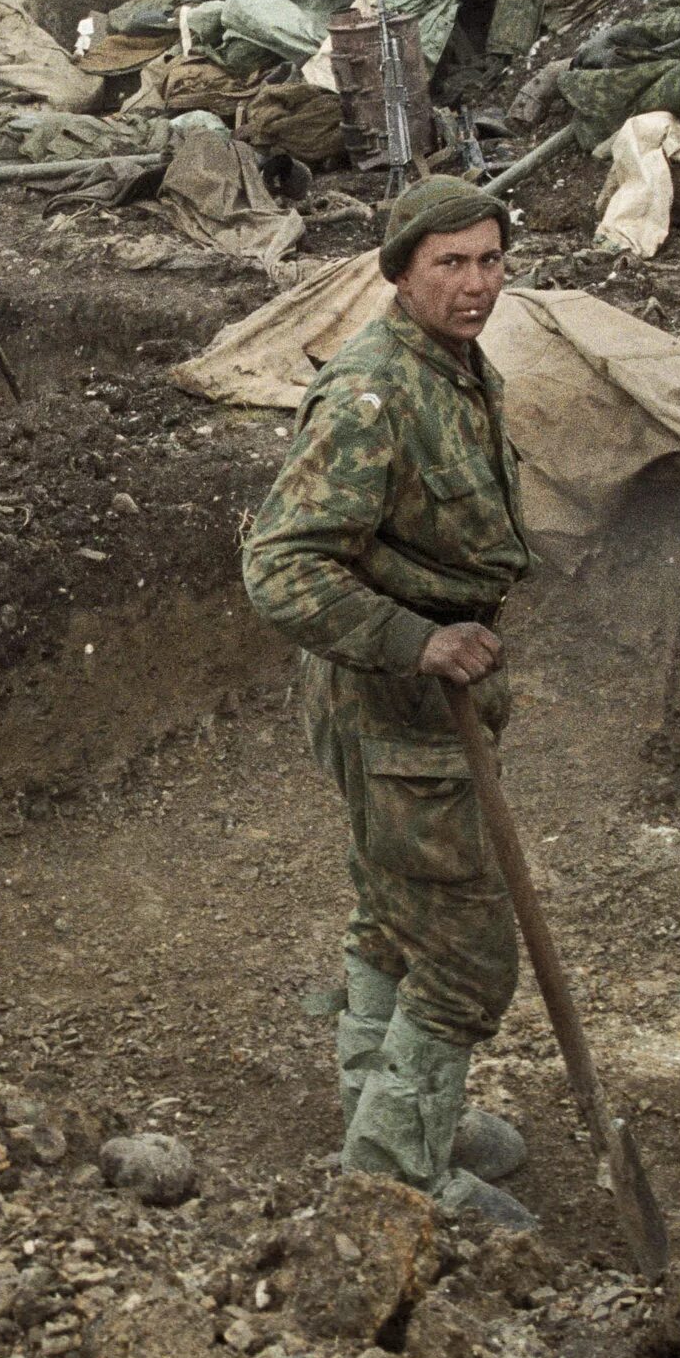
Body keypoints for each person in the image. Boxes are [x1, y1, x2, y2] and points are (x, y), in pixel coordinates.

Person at [242, 177, 537, 1230]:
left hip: (423, 702)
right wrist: (417, 640)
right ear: (399, 270)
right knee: (462, 948)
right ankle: (396, 1171)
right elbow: (279, 568)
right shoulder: (371, 390)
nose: (473, 284)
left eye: (489, 260)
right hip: (390, 701)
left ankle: (388, 1106)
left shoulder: (450, 367)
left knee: (390, 912)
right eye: (448, 263)